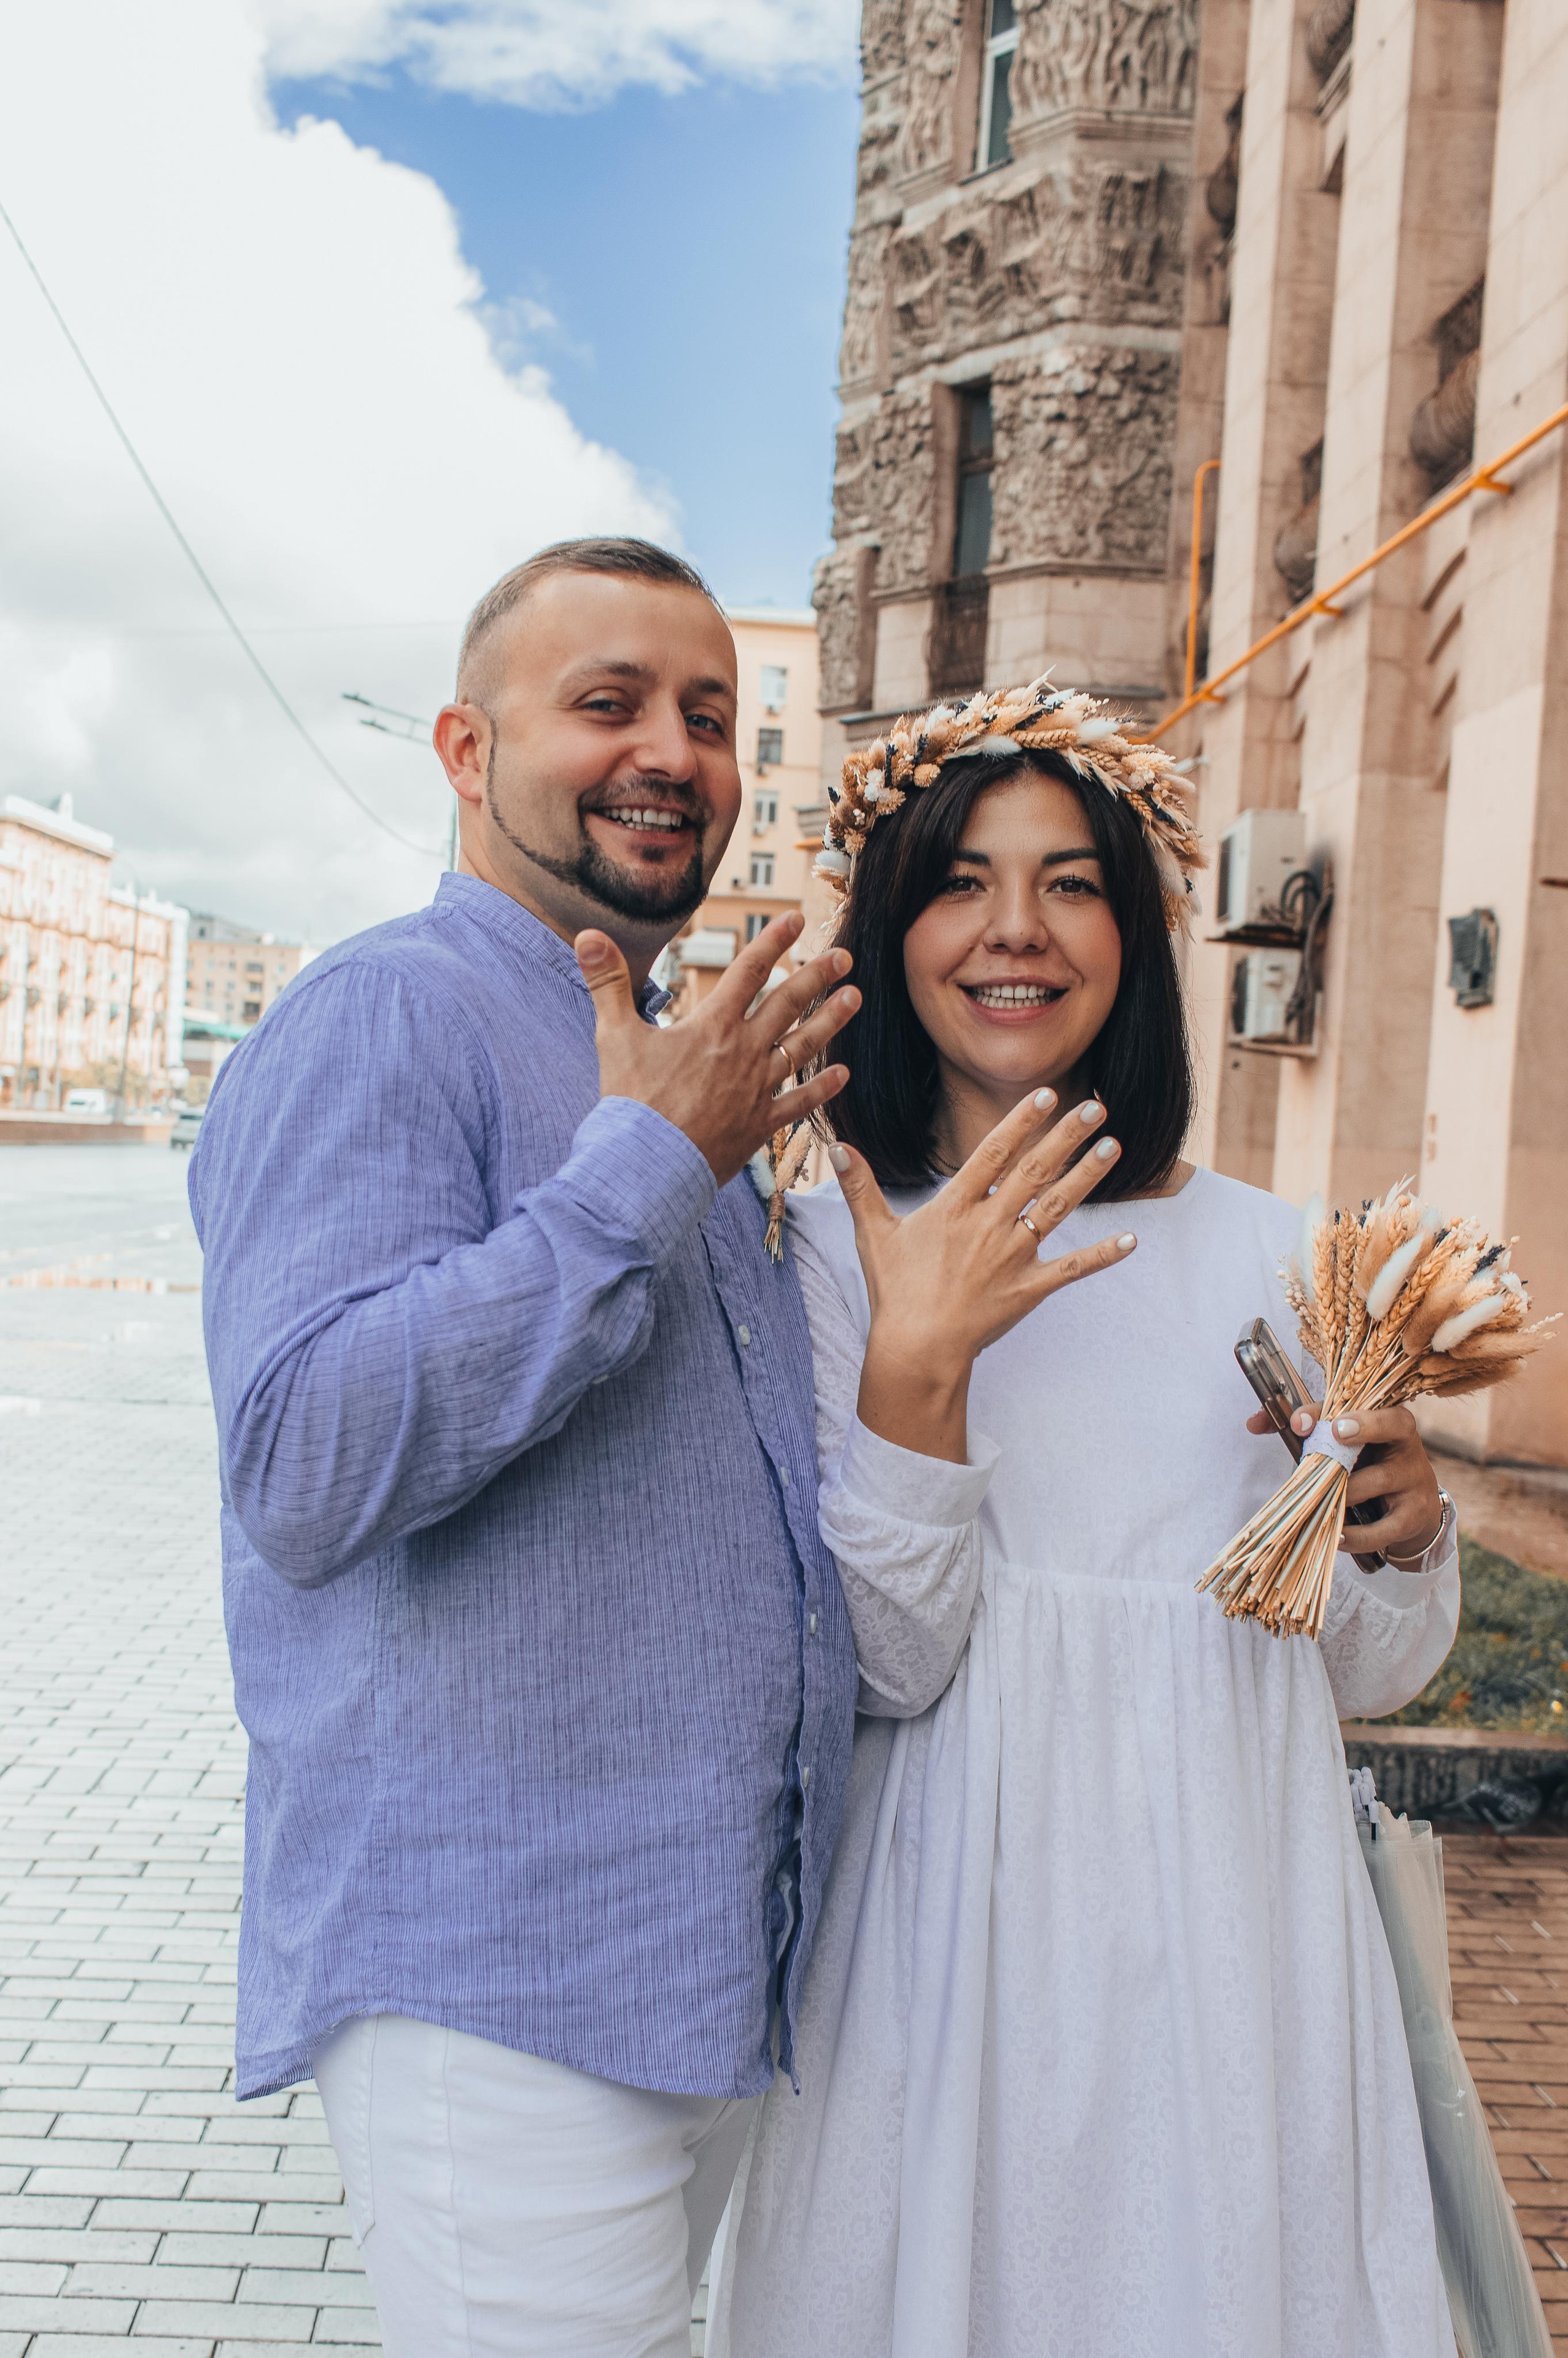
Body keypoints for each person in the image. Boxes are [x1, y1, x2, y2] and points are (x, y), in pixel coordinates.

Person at [709, 678, 1462, 2358]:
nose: (1015, 930)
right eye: (963, 880)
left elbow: (1371, 1669)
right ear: (895, 928)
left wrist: (1402, 1536)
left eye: (1072, 882)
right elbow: (887, 1665)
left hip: (1234, 1945)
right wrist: (921, 1370)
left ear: (1136, 932)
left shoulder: (1282, 1252)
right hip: (940, 1954)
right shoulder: (818, 1244)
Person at [188, 537, 864, 2358]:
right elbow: (306, 1463)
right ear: (467, 752)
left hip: (704, 1966)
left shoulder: (667, 1062)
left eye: (711, 717)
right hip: (502, 1976)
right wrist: (650, 1173)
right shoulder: (385, 1010)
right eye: (610, 703)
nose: (676, 750)